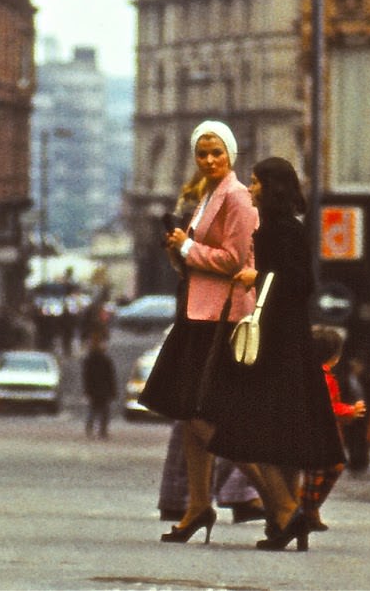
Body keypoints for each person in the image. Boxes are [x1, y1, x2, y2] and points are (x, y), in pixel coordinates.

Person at [138, 120, 259, 545]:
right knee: (189, 417)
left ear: (230, 154)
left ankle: (275, 498)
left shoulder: (237, 196)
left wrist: (188, 248)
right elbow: (200, 260)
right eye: (202, 153)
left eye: (217, 153)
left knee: (207, 418)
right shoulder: (207, 194)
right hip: (197, 312)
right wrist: (179, 248)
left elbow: (235, 258)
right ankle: (197, 506)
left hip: (220, 318)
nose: (209, 160)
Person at [218, 155, 345, 551]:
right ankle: (284, 517)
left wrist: (260, 276)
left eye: (256, 183)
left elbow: (301, 282)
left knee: (257, 433)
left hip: (277, 342)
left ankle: (288, 513)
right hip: (282, 338)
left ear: (271, 188)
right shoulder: (279, 227)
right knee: (279, 435)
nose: (251, 188)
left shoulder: (282, 230)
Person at [300, 327, 364, 532]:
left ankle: (309, 509)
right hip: (321, 434)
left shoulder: (317, 375)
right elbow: (328, 406)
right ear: (335, 355)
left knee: (325, 469)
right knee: (320, 470)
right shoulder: (323, 378)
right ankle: (308, 509)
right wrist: (350, 411)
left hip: (322, 432)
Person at [82, 334, 117, 439]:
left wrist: (87, 390)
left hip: (97, 389)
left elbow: (87, 377)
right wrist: (113, 390)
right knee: (100, 411)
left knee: (95, 410)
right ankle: (100, 431)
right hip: (102, 389)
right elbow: (110, 377)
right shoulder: (104, 360)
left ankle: (94, 430)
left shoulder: (91, 360)